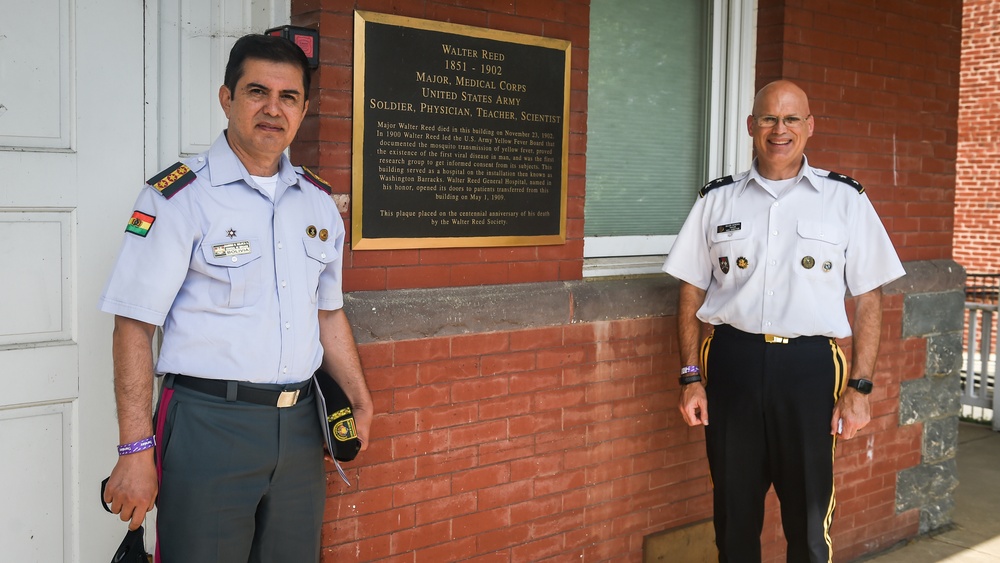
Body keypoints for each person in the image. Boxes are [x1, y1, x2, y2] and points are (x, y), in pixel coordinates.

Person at [99, 34, 374, 562]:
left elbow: (329, 312)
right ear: (226, 99)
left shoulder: (317, 204)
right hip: (208, 424)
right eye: (256, 92)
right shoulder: (177, 198)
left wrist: (360, 399)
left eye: (288, 96)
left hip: (299, 427)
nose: (273, 109)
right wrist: (134, 450)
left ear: (304, 108)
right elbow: (133, 325)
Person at [662, 80, 905, 562]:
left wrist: (859, 388)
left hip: (810, 369)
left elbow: (870, 298)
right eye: (769, 118)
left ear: (809, 127)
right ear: (752, 126)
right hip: (732, 363)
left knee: (811, 523)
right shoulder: (718, 199)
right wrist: (690, 376)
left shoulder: (846, 200)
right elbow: (690, 287)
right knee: (733, 520)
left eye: (791, 118)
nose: (780, 129)